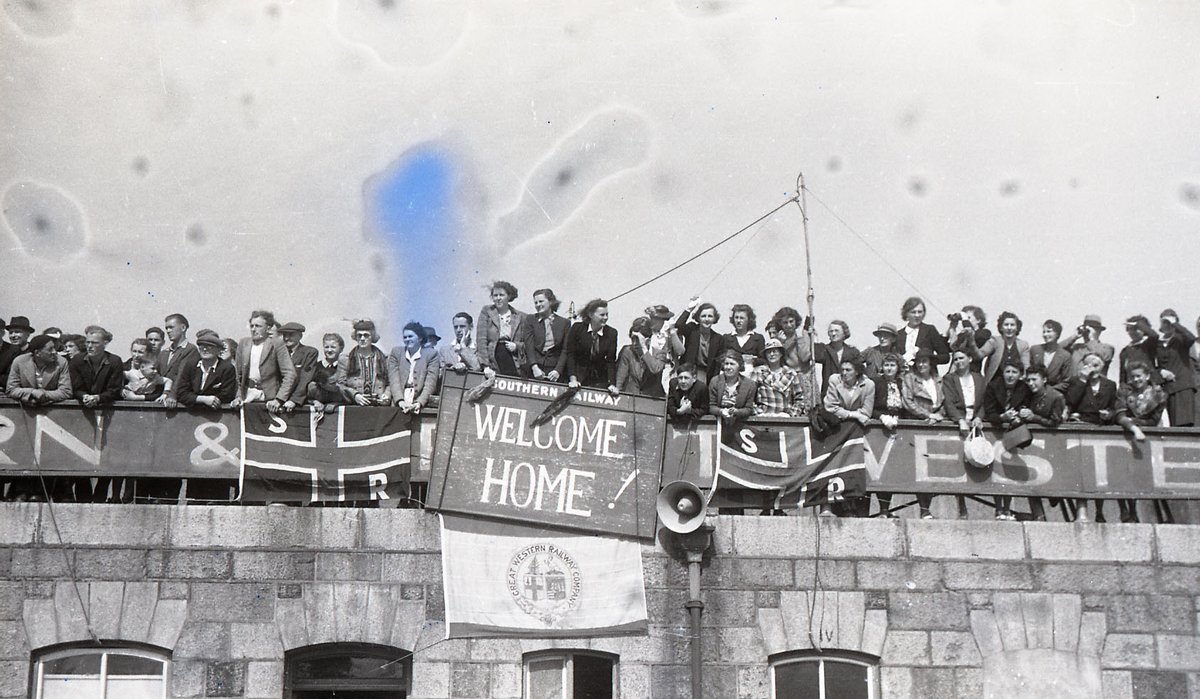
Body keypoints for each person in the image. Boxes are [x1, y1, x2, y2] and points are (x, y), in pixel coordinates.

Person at [1064, 352, 1119, 522]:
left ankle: (1099, 511)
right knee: (1082, 472)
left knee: (1099, 474)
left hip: (1100, 429)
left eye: (1096, 365)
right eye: (1089, 365)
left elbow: (1113, 407)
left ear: (1103, 367)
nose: (1093, 369)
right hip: (1081, 429)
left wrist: (1108, 415)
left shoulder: (1110, 384)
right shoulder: (1076, 381)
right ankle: (1081, 511)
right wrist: (1082, 379)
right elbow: (1071, 401)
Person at [1111, 361, 1168, 522]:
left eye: (1139, 376)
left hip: (1147, 438)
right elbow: (1120, 415)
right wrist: (1133, 426)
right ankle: (1126, 510)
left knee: (1144, 475)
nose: (1136, 380)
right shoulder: (1124, 391)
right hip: (1126, 436)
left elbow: (1153, 420)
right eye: (1133, 377)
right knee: (1123, 473)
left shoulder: (1159, 395)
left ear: (1147, 376)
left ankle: (1157, 514)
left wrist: (1135, 421)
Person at [984, 359, 1032, 520]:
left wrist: (1022, 413)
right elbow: (989, 412)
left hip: (1014, 433)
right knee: (997, 470)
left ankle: (1008, 508)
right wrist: (1002, 417)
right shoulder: (993, 386)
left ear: (1020, 375)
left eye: (1014, 372)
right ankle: (999, 508)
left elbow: (1028, 406)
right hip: (996, 430)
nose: (1010, 376)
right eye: (1007, 372)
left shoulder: (1024, 388)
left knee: (1010, 470)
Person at [232, 310, 297, 414]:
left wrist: (279, 399)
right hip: (247, 396)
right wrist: (238, 397)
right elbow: (238, 375)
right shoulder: (244, 343)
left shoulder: (277, 344)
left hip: (269, 399)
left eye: (258, 326)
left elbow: (290, 374)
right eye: (252, 326)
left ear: (268, 328)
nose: (253, 329)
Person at [869, 353, 904, 517]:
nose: (889, 369)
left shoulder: (902, 383)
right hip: (879, 428)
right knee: (877, 469)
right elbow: (869, 406)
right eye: (886, 365)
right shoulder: (876, 383)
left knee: (891, 470)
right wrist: (882, 417)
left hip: (897, 427)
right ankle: (877, 509)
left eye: (892, 365)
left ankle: (885, 509)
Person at [476, 280, 531, 377]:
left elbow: (528, 343)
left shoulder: (521, 316)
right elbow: (481, 340)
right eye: (495, 295)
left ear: (509, 296)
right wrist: (486, 366)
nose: (498, 298)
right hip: (493, 359)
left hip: (514, 361)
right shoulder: (487, 312)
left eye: (501, 295)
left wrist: (517, 346)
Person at [565, 299, 619, 392]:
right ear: (591, 315)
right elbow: (571, 355)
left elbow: (611, 361)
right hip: (577, 377)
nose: (605, 317)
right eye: (602, 315)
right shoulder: (577, 328)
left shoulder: (612, 333)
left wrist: (612, 384)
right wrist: (573, 379)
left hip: (599, 380)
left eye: (607, 314)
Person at [388, 322, 442, 413]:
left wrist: (419, 402)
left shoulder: (431, 355)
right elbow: (394, 380)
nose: (407, 339)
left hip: (420, 403)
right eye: (405, 337)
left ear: (420, 338)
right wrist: (400, 401)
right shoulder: (396, 352)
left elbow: (430, 383)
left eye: (410, 336)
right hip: (398, 402)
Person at [1155, 309, 1196, 426]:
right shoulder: (1158, 343)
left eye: (1169, 322)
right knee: (1171, 425)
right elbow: (1155, 365)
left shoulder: (1181, 339)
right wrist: (1161, 371)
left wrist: (1174, 323)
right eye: (1164, 322)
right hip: (1167, 389)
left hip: (1183, 387)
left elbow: (1191, 338)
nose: (1167, 325)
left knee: (1184, 424)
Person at [176, 330, 238, 408]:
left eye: (209, 346)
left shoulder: (227, 368)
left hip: (215, 413)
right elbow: (181, 392)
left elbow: (227, 395)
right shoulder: (191, 365)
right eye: (202, 346)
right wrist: (202, 399)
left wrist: (212, 400)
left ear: (218, 350)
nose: (205, 349)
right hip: (191, 412)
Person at [6, 335, 72, 405]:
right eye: (50, 349)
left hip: (52, 408)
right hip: (26, 408)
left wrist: (43, 395)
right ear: (37, 353)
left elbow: (66, 392)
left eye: (54, 348)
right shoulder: (19, 362)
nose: (54, 352)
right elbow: (11, 390)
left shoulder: (61, 362)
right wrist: (32, 392)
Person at [69, 325, 124, 408]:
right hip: (82, 405)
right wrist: (84, 396)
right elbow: (75, 387)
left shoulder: (115, 361)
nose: (89, 346)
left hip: (106, 407)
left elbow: (114, 389)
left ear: (105, 343)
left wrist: (98, 398)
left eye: (94, 343)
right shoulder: (77, 360)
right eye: (87, 342)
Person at [340, 319, 391, 406]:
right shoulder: (346, 359)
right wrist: (355, 395)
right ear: (355, 337)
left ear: (373, 336)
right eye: (359, 335)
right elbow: (339, 385)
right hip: (354, 406)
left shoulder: (384, 359)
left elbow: (390, 383)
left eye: (366, 335)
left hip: (379, 406)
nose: (362, 339)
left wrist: (387, 395)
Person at [752, 338, 805, 417]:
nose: (772, 354)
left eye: (775, 351)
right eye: (769, 352)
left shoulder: (791, 373)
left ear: (781, 354)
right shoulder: (758, 372)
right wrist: (758, 413)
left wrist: (791, 415)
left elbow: (800, 399)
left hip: (786, 418)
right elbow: (749, 397)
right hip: (763, 417)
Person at [895, 297, 950, 373]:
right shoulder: (899, 335)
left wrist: (928, 359)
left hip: (927, 376)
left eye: (920, 312)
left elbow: (945, 357)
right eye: (913, 312)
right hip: (905, 376)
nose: (917, 315)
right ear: (906, 313)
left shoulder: (929, 330)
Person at [525, 289, 570, 382]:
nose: (538, 305)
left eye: (541, 301)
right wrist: (534, 367)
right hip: (534, 369)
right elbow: (529, 345)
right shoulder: (530, 319)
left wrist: (558, 371)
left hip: (554, 370)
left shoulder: (564, 323)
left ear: (550, 302)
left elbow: (565, 349)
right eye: (536, 302)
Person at [156, 313, 200, 408]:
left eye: (171, 327)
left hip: (177, 401)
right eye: (166, 328)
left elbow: (182, 375)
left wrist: (172, 395)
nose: (168, 331)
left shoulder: (190, 350)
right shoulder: (164, 353)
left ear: (183, 328)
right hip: (160, 399)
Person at [615, 317, 667, 397]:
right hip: (631, 396)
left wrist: (643, 348)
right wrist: (616, 390)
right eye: (632, 339)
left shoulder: (659, 353)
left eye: (637, 340)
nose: (634, 343)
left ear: (648, 340)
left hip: (652, 398)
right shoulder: (628, 351)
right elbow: (620, 377)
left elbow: (655, 369)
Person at [676, 297, 724, 380]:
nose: (706, 319)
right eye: (703, 316)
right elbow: (679, 325)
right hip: (688, 372)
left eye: (710, 316)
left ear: (714, 318)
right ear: (698, 318)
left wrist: (714, 380)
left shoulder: (718, 338)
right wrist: (689, 309)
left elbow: (717, 364)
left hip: (706, 374)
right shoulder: (692, 330)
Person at [981, 311, 1031, 387]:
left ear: (1017, 328)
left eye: (1012, 325)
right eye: (1006, 325)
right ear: (1001, 327)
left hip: (1015, 386)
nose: (1009, 328)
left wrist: (1023, 378)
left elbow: (1026, 366)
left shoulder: (1023, 345)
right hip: (995, 385)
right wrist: (971, 340)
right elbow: (980, 354)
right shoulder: (994, 341)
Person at [278, 322, 319, 411]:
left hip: (298, 401)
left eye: (291, 335)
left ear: (300, 336)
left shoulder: (309, 352)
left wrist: (294, 400)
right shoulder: (279, 353)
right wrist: (277, 399)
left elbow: (305, 379)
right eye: (284, 335)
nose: (286, 338)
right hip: (279, 399)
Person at [823, 358, 875, 427]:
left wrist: (843, 413)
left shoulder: (868, 384)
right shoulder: (834, 380)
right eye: (842, 370)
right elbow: (830, 407)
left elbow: (866, 412)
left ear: (857, 372)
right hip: (837, 424)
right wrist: (855, 415)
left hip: (859, 425)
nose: (844, 373)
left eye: (848, 370)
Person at [709, 350, 757, 424]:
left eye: (732, 364)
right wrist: (721, 411)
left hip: (740, 422)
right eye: (726, 364)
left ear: (739, 365)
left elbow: (749, 409)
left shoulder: (750, 384)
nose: (728, 367)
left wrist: (737, 412)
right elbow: (711, 406)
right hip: (718, 422)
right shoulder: (715, 381)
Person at [814, 320, 861, 393]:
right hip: (829, 393)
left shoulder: (853, 352)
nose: (833, 333)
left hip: (849, 392)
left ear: (844, 333)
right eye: (831, 331)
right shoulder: (825, 349)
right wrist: (810, 335)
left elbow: (860, 373)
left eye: (836, 331)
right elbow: (813, 354)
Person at [902, 349, 945, 423]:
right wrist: (928, 415)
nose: (921, 364)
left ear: (930, 363)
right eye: (918, 362)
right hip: (915, 421)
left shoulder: (939, 380)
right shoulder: (910, 378)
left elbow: (945, 402)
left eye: (924, 361)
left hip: (937, 420)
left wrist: (937, 415)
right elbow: (907, 402)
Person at [1029, 320, 1072, 394]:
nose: (1045, 334)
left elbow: (1066, 382)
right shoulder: (1035, 350)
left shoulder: (1065, 355)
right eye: (1044, 332)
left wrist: (1047, 391)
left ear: (1057, 334)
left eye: (1049, 331)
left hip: (1054, 394)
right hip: (1033, 392)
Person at [722, 304, 766, 374]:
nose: (738, 321)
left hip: (751, 375)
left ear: (749, 320)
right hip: (731, 374)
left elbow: (764, 360)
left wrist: (753, 360)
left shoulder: (758, 338)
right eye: (736, 317)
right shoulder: (727, 338)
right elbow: (721, 359)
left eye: (742, 318)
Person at [948, 305, 992, 374]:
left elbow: (973, 335)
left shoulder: (984, 333)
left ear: (978, 320)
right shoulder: (962, 335)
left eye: (969, 317)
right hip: (955, 373)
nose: (964, 320)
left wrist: (965, 319)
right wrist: (952, 327)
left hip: (971, 373)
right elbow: (953, 346)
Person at [310, 333, 348, 412]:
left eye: (333, 347)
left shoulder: (345, 367)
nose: (329, 350)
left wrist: (335, 404)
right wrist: (314, 401)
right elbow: (309, 392)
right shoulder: (316, 366)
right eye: (326, 347)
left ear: (341, 349)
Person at [770, 306, 812, 372]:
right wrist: (781, 344)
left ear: (796, 321)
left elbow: (805, 358)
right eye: (785, 322)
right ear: (780, 324)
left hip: (804, 373)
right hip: (786, 374)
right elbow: (775, 362)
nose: (789, 325)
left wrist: (800, 338)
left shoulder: (803, 334)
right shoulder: (777, 338)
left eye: (791, 321)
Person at [1119, 315, 1158, 385]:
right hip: (1131, 386)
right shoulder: (1125, 351)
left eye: (1136, 329)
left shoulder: (1149, 345)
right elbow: (1123, 375)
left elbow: (1154, 336)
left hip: (1149, 385)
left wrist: (1139, 324)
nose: (1133, 332)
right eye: (1130, 329)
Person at [0, 315, 35, 387]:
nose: (13, 336)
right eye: (11, 333)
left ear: (27, 334)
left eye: (17, 332)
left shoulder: (33, 352)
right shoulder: (6, 351)